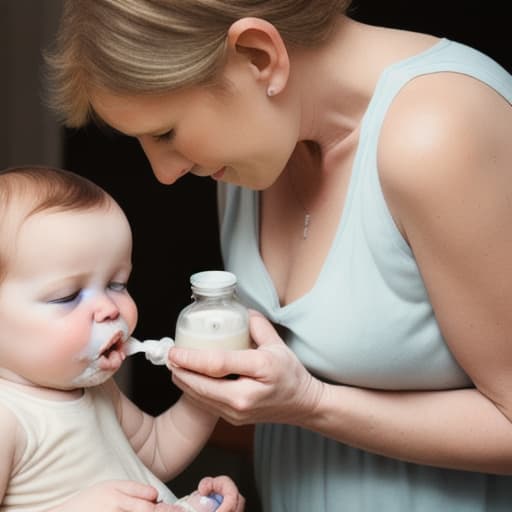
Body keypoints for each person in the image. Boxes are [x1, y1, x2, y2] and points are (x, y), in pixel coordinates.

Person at [44, 1, 512, 510]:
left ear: (259, 56)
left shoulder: (440, 135)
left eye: (165, 132)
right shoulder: (255, 150)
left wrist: (313, 405)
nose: (164, 173)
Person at [0, 166, 245, 512]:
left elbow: (157, 452)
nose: (109, 309)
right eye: (67, 296)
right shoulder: (8, 418)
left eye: (117, 284)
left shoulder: (98, 389)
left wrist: (207, 394)